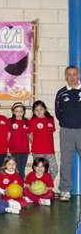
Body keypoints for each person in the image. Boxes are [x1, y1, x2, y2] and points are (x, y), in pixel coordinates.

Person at [55, 65, 81, 201]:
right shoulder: (61, 93)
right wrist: (67, 123)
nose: (72, 77)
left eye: (74, 74)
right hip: (66, 131)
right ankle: (65, 190)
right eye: (69, 74)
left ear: (79, 76)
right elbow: (58, 112)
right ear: (66, 77)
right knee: (65, 161)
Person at [28, 100, 58, 180]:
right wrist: (35, 143)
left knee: (54, 169)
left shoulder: (50, 119)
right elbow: (30, 135)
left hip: (49, 150)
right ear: (34, 112)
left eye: (41, 109)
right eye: (36, 110)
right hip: (38, 151)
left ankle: (47, 184)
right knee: (39, 171)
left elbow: (50, 133)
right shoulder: (33, 121)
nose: (39, 111)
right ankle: (38, 187)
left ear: (45, 109)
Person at [7, 102, 30, 181]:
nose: (19, 113)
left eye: (21, 111)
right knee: (14, 169)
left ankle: (21, 185)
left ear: (24, 112)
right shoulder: (10, 121)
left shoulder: (27, 122)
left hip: (24, 149)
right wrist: (7, 147)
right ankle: (14, 185)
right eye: (17, 111)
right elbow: (8, 135)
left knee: (22, 169)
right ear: (13, 111)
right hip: (14, 149)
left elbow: (29, 135)